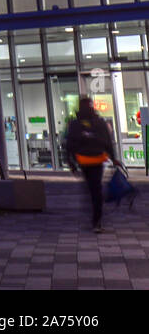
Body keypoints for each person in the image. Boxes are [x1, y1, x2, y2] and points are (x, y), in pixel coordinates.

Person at [64, 97, 117, 233]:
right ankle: (96, 220)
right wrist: (113, 157)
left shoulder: (75, 124)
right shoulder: (99, 122)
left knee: (92, 188)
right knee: (96, 189)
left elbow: (69, 144)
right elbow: (107, 142)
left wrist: (71, 162)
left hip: (84, 161)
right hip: (97, 159)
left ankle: (95, 216)